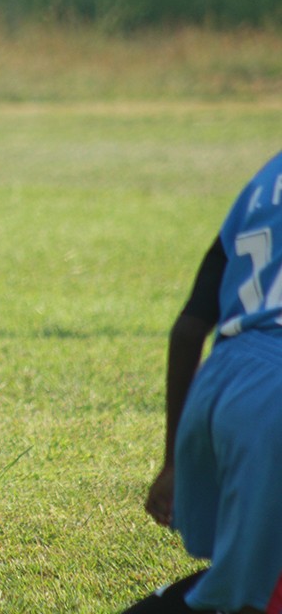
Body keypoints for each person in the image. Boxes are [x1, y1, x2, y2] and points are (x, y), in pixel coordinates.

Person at [122, 149, 282, 614]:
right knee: (246, 596)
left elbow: (190, 326)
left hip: (223, 379)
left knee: (243, 580)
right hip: (271, 398)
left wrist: (172, 461)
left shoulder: (264, 180)